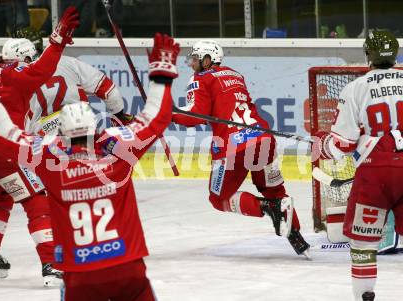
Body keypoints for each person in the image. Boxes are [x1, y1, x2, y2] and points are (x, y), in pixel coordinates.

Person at [0, 32, 179, 301]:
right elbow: (155, 118)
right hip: (128, 267)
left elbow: (6, 135)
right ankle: (23, 259)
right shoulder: (119, 154)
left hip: (79, 276)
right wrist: (162, 76)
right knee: (30, 200)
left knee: (8, 196)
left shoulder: (50, 160)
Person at [0, 7, 79, 286]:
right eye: (29, 57)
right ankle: (51, 265)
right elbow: (42, 69)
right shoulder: (15, 74)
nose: (31, 62)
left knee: (2, 196)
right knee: (36, 198)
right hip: (2, 150)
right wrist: (58, 39)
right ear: (19, 58)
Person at [172, 40, 310, 257]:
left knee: (218, 198)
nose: (192, 64)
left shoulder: (201, 78)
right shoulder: (235, 75)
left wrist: (167, 114)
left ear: (208, 60)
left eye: (197, 59)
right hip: (264, 138)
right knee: (275, 192)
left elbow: (194, 114)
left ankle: (266, 208)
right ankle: (296, 236)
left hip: (233, 147)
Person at [315, 29, 403, 301]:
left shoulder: (356, 88)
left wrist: (322, 146)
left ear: (369, 55)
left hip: (374, 174)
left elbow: (342, 144)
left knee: (364, 246)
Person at [12, 26, 133, 137]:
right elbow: (109, 91)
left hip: (45, 142)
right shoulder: (69, 63)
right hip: (82, 129)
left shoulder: (15, 79)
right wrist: (119, 117)